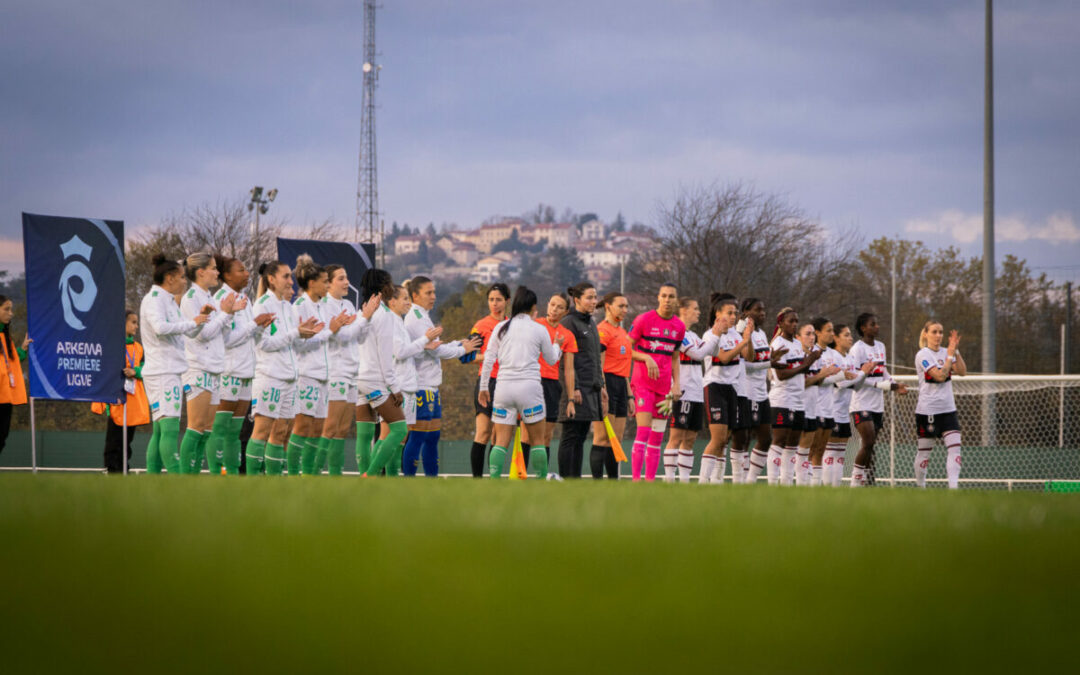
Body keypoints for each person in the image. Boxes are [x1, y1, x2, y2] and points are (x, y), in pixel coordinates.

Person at [247, 261, 323, 475]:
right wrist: (296, 333)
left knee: (281, 433)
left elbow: (293, 343)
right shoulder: (262, 305)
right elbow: (264, 344)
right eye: (286, 276)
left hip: (290, 379)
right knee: (261, 432)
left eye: (290, 277)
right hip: (270, 377)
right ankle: (251, 483)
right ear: (271, 279)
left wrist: (307, 334)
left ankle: (275, 483)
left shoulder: (288, 307)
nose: (291, 281)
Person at [478, 286, 563, 477]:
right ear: (533, 307)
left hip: (503, 388)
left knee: (501, 441)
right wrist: (558, 345)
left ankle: (493, 481)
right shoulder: (539, 329)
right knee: (537, 440)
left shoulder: (501, 327)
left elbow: (489, 358)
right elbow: (551, 359)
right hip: (530, 389)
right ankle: (540, 481)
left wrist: (483, 387)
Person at [402, 276, 481, 476]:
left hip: (431, 386)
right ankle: (408, 479)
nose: (433, 296)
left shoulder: (424, 316)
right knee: (418, 436)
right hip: (421, 385)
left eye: (434, 292)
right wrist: (463, 349)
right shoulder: (416, 318)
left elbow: (438, 346)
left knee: (432, 436)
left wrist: (457, 343)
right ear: (415, 295)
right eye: (428, 293)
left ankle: (431, 478)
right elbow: (436, 352)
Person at [140, 254, 209, 474]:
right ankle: (178, 480)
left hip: (169, 371)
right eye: (181, 277)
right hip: (162, 372)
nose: (184, 281)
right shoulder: (153, 300)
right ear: (169, 278)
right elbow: (160, 328)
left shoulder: (168, 300)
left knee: (160, 431)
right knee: (169, 431)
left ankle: (154, 480)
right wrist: (191, 322)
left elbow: (186, 329)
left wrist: (200, 319)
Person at [178, 252, 240, 474]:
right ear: (200, 272)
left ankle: (194, 475)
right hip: (197, 368)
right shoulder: (190, 299)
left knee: (207, 430)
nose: (217, 273)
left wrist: (230, 315)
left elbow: (220, 335)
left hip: (214, 369)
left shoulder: (210, 298)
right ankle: (184, 478)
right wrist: (225, 315)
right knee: (195, 427)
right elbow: (202, 334)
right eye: (213, 268)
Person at [213, 256, 273, 475]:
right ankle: (213, 472)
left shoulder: (245, 300)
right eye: (241, 270)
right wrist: (253, 325)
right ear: (227, 275)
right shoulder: (221, 298)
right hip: (229, 371)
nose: (247, 273)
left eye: (247, 270)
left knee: (236, 431)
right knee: (220, 429)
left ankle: (232, 474)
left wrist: (260, 326)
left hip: (247, 371)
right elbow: (225, 339)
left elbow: (248, 334)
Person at [290, 255, 348, 476]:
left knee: (317, 429)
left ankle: (310, 474)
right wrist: (330, 331)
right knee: (303, 427)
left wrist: (332, 329)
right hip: (307, 375)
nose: (327, 286)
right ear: (311, 283)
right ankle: (294, 474)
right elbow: (299, 345)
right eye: (325, 282)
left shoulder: (322, 307)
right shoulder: (300, 307)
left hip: (325, 376)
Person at [319, 265, 377, 476]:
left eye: (347, 278)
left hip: (352, 372)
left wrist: (366, 319)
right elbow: (340, 336)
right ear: (328, 282)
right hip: (335, 371)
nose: (346, 282)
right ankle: (313, 472)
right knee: (330, 427)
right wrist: (362, 320)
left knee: (342, 430)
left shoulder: (348, 305)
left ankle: (335, 474)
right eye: (341, 278)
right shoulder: (324, 306)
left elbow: (358, 337)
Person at [354, 268, 409, 477]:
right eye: (389, 283)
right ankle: (371, 474)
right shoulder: (384, 314)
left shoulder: (363, 311)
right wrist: (395, 387)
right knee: (399, 429)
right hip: (374, 379)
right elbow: (385, 357)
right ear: (382, 287)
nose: (391, 287)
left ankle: (364, 478)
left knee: (364, 434)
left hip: (358, 378)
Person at [383, 284, 442, 476]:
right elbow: (401, 352)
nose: (408, 302)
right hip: (401, 385)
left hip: (409, 384)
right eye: (405, 298)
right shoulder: (401, 321)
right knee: (396, 435)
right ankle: (373, 473)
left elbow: (409, 350)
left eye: (408, 298)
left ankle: (392, 478)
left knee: (403, 435)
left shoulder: (400, 321)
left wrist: (424, 344)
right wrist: (424, 341)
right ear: (392, 301)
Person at [628, 283, 684, 482]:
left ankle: (650, 482)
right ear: (658, 298)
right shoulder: (644, 319)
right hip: (642, 383)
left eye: (671, 296)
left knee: (658, 437)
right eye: (664, 296)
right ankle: (636, 480)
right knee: (643, 431)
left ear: (676, 300)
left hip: (663, 389)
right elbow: (627, 349)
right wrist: (646, 357)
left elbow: (676, 357)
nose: (667, 300)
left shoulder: (679, 326)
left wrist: (676, 384)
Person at [757, 308, 820, 485]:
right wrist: (807, 363)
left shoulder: (796, 345)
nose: (794, 324)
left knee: (792, 445)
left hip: (798, 401)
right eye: (790, 321)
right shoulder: (778, 344)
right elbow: (782, 375)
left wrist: (810, 361)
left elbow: (800, 370)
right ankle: (772, 483)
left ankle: (785, 484)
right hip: (782, 399)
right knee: (778, 441)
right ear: (781, 323)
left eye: (796, 321)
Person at [699, 294, 754, 484]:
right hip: (714, 387)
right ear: (717, 315)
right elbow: (723, 358)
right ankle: (703, 480)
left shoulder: (735, 335)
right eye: (729, 313)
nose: (733, 316)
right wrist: (743, 342)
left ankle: (716, 481)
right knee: (717, 438)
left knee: (724, 440)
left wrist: (748, 338)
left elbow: (749, 357)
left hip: (731, 389)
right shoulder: (710, 335)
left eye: (735, 313)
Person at [849, 313, 908, 487]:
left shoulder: (881, 346)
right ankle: (855, 481)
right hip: (861, 404)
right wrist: (881, 386)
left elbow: (883, 372)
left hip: (877, 405)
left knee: (871, 445)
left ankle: (869, 481)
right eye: (872, 324)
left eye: (877, 323)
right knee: (867, 442)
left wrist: (895, 384)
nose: (877, 327)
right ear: (863, 328)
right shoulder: (857, 349)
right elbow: (857, 378)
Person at [523, 294, 577, 475]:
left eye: (559, 307)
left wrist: (570, 399)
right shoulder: (534, 325)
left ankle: (541, 477)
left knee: (546, 436)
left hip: (552, 386)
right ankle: (520, 476)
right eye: (552, 304)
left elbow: (568, 370)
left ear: (566, 312)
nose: (554, 309)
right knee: (526, 434)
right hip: (531, 382)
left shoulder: (567, 335)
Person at [557, 282, 606, 478]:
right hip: (574, 391)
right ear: (576, 300)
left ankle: (575, 480)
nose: (594, 301)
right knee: (570, 436)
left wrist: (600, 385)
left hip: (591, 390)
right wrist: (573, 389)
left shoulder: (591, 323)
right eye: (589, 297)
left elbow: (593, 358)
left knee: (581, 437)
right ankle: (566, 478)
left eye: (595, 297)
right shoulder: (569, 322)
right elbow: (567, 361)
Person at [91, 311, 149, 473]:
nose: (136, 326)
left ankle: (124, 470)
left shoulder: (138, 348)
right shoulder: (111, 345)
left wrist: (135, 371)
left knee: (127, 441)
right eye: (133, 322)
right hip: (115, 400)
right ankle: (112, 471)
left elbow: (146, 369)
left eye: (137, 322)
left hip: (133, 402)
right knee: (113, 441)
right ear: (122, 324)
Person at [914, 321, 966, 489]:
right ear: (926, 334)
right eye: (934, 332)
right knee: (924, 454)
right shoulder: (923, 355)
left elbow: (962, 372)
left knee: (955, 449)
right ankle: (920, 487)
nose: (938, 336)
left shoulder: (947, 352)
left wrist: (955, 350)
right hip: (928, 410)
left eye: (941, 332)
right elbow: (939, 376)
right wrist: (949, 357)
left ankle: (953, 488)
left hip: (948, 409)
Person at [821, 324, 872, 486]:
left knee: (840, 455)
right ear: (836, 338)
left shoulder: (849, 358)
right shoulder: (832, 356)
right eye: (846, 335)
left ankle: (835, 489)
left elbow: (856, 386)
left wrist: (864, 374)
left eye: (851, 335)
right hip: (832, 412)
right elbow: (842, 383)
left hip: (844, 414)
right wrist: (863, 372)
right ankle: (827, 489)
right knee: (830, 453)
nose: (851, 338)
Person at [591, 292, 633, 480]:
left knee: (616, 438)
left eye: (626, 306)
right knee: (602, 437)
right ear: (608, 306)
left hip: (621, 387)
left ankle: (612, 482)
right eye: (620, 306)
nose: (625, 310)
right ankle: (597, 482)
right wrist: (602, 390)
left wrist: (630, 395)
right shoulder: (602, 330)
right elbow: (598, 365)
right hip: (606, 384)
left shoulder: (623, 332)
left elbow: (624, 368)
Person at [469, 283, 509, 477]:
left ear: (507, 301)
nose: (495, 304)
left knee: (498, 435)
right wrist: (490, 356)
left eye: (499, 299)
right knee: (483, 432)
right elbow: (467, 356)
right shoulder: (481, 326)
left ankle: (494, 478)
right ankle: (477, 480)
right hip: (487, 383)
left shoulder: (512, 325)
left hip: (508, 383)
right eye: (491, 300)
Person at [664, 298, 707, 482]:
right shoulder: (677, 332)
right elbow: (699, 353)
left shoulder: (695, 336)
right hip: (683, 390)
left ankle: (684, 481)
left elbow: (709, 351)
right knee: (676, 435)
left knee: (690, 438)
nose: (698, 312)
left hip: (697, 391)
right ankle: (669, 479)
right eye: (695, 308)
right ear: (683, 310)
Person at [794, 321, 840, 485]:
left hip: (817, 407)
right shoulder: (796, 354)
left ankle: (812, 485)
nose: (812, 337)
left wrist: (830, 375)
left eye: (813, 334)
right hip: (799, 406)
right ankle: (796, 483)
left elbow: (819, 381)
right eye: (808, 334)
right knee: (801, 450)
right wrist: (824, 375)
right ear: (797, 337)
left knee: (815, 450)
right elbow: (802, 382)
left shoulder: (817, 356)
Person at [736, 299, 774, 484]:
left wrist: (771, 360)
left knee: (766, 438)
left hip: (762, 392)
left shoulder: (762, 333)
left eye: (763, 309)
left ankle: (750, 481)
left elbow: (761, 362)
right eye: (758, 310)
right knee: (743, 438)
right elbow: (746, 365)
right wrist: (771, 363)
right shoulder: (740, 331)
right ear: (746, 312)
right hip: (747, 390)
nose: (763, 313)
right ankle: (740, 480)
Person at [0, 294, 30, 457]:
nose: (10, 313)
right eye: (6, 309)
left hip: (5, 397)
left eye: (11, 309)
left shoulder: (5, 338)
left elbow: (10, 361)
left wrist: (23, 349)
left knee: (2, 437)